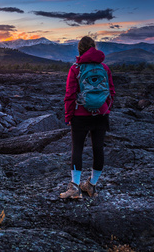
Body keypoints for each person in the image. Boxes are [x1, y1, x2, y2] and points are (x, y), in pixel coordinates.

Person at [60, 36, 115, 199]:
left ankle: (75, 188)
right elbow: (111, 91)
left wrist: (68, 115)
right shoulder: (104, 67)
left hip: (80, 115)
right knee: (98, 148)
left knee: (77, 148)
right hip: (101, 114)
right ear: (94, 47)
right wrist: (106, 109)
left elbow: (69, 94)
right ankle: (91, 185)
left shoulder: (75, 68)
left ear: (79, 49)